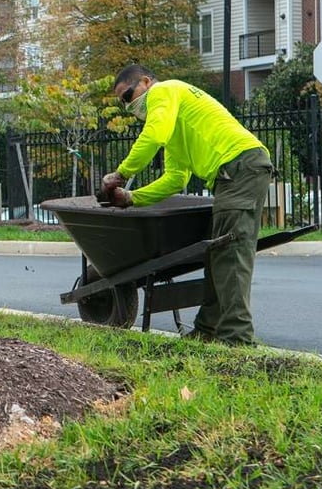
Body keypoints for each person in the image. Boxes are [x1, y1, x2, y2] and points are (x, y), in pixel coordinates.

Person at [101, 64, 273, 346]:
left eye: (128, 95)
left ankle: (238, 339)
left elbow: (152, 136)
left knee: (231, 255)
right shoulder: (174, 120)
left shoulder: (165, 90)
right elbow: (174, 178)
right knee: (218, 254)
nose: (127, 106)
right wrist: (131, 198)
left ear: (146, 82)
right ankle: (208, 330)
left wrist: (121, 175)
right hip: (237, 171)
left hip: (239, 167)